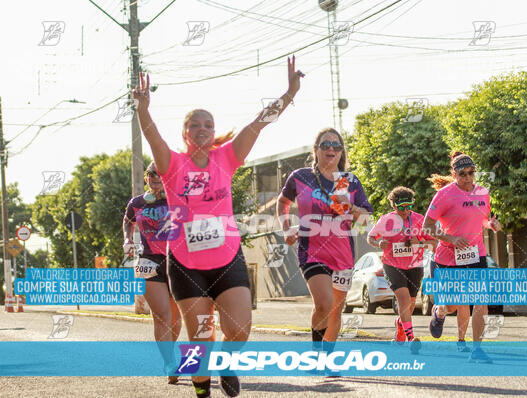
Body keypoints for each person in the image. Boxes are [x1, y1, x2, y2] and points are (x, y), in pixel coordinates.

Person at [132, 56, 303, 398]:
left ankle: (227, 363)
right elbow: (151, 137)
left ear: (213, 132)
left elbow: (258, 123)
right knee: (199, 337)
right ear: (185, 133)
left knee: (239, 329)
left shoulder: (226, 158)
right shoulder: (172, 164)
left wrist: (289, 92)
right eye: (194, 125)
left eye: (208, 124)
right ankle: (201, 391)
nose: (202, 129)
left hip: (227, 259)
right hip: (186, 265)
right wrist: (143, 109)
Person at [277, 128, 373, 365]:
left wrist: (350, 208)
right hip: (313, 251)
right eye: (325, 144)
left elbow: (365, 218)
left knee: (335, 312)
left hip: (343, 254)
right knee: (324, 303)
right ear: (316, 150)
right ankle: (316, 355)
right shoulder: (300, 177)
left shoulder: (348, 181)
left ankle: (326, 361)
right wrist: (287, 228)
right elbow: (283, 202)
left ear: (341, 152)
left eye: (336, 145)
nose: (331, 148)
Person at [422, 151, 502, 363]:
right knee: (454, 305)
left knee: (480, 301)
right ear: (454, 173)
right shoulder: (444, 195)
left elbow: (483, 219)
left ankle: (477, 350)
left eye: (471, 173)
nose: (467, 177)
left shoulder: (483, 193)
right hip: (448, 257)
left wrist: (491, 225)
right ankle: (439, 313)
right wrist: (451, 238)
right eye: (462, 173)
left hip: (476, 254)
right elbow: (427, 227)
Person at [123, 162, 182, 385]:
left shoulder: (179, 198)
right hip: (148, 260)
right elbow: (127, 222)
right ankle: (169, 363)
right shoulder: (137, 203)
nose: (156, 177)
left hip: (178, 261)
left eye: (162, 174)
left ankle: (169, 352)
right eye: (152, 174)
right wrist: (128, 239)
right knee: (162, 315)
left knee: (176, 318)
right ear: (146, 177)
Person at [367, 187, 436, 353]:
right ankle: (412, 339)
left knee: (410, 305)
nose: (405, 211)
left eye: (408, 206)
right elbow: (370, 237)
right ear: (393, 206)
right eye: (401, 207)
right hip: (392, 265)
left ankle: (400, 324)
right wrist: (379, 244)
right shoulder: (386, 220)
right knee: (404, 300)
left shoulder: (420, 220)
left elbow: (434, 244)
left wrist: (419, 243)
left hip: (415, 266)